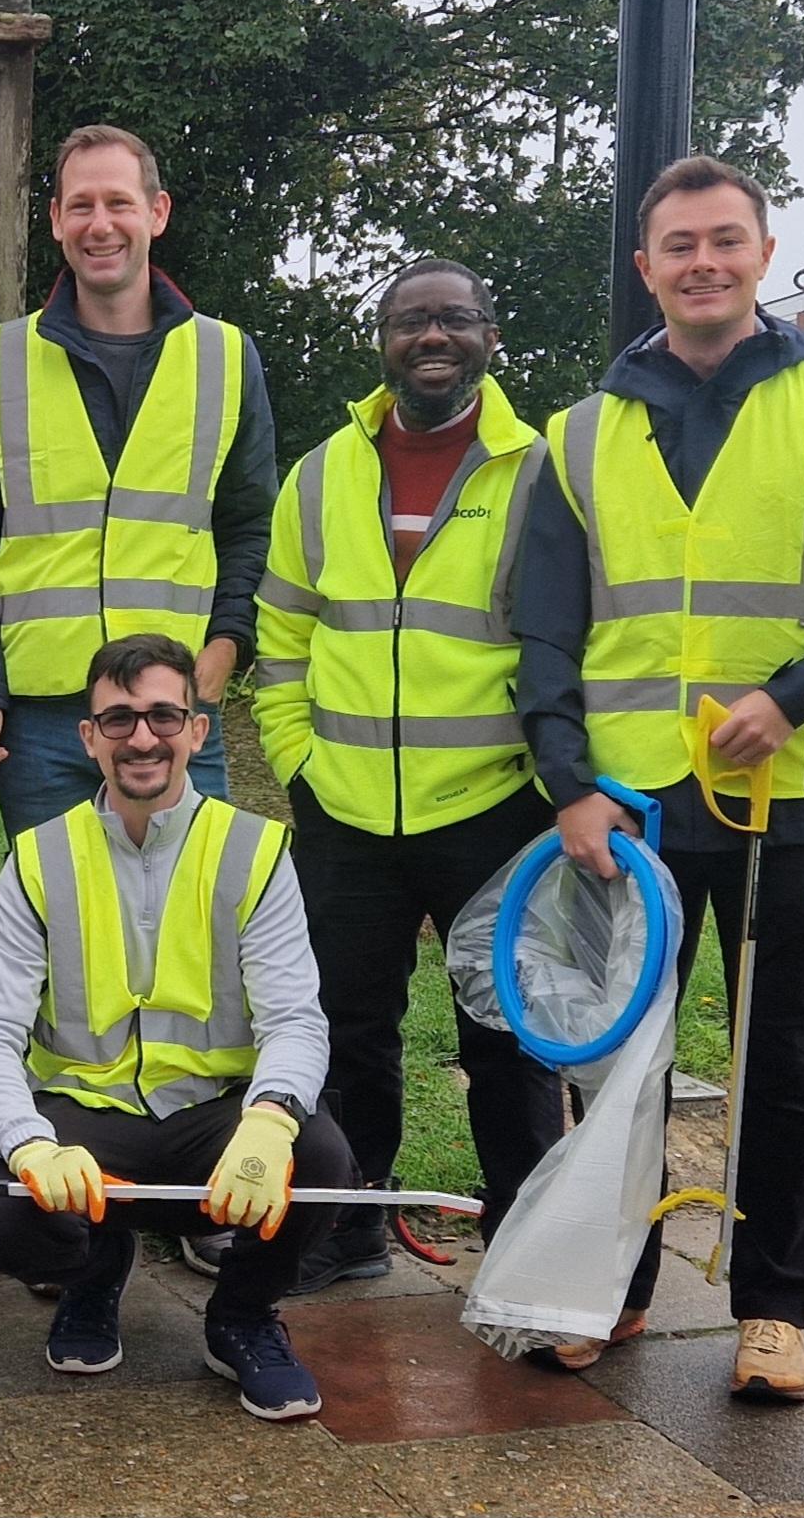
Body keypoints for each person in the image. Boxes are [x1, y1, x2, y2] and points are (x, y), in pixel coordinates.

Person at [515, 156, 804, 1394]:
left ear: (764, 255)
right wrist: (569, 782)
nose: (704, 261)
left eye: (727, 239)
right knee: (619, 1071)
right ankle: (605, 1290)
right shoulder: (576, 436)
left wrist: (792, 697)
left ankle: (774, 1312)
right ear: (646, 266)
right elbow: (546, 630)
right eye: (680, 244)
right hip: (631, 808)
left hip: (794, 798)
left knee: (785, 1061)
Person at [0, 634, 353, 1420]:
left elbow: (296, 1017)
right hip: (83, 1124)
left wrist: (268, 1120)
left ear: (198, 731)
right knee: (5, 1214)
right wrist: (30, 1141)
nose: (142, 737)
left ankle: (240, 1317)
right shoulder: (39, 857)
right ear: (88, 736)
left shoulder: (254, 849)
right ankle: (92, 1271)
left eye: (165, 715)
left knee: (323, 1158)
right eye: (119, 718)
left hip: (215, 1120)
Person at [253, 258, 561, 1291]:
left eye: (454, 319)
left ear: (489, 335)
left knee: (507, 1037)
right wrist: (298, 760)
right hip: (343, 807)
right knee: (344, 1029)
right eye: (410, 321)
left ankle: (522, 1243)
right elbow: (282, 637)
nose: (433, 337)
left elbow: (563, 640)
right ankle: (349, 1226)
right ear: (381, 340)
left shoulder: (537, 470)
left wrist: (541, 783)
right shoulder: (321, 474)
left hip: (492, 806)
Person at [0, 125, 277, 835]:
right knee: (65, 933)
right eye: (80, 205)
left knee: (188, 933)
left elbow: (250, 525)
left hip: (178, 711)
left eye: (118, 203)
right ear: (56, 220)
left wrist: (224, 647)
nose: (100, 224)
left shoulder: (225, 357)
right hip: (45, 723)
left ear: (156, 213)